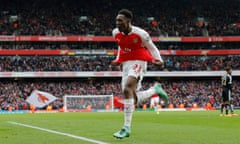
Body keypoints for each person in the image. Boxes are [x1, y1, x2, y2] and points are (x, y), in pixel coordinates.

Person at [112, 9, 168, 139]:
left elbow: (152, 47)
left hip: (139, 61)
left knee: (127, 89)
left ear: (128, 21)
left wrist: (159, 59)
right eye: (116, 20)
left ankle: (126, 128)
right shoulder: (115, 33)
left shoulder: (141, 33)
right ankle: (154, 90)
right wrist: (118, 59)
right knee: (132, 98)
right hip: (125, 64)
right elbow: (121, 46)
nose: (117, 23)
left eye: (120, 20)